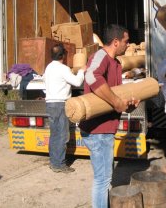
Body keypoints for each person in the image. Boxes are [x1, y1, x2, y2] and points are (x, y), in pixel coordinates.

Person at [79, 24, 140, 208]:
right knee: (102, 181)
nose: (128, 45)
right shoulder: (100, 56)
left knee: (105, 178)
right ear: (115, 42)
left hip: (105, 130)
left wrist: (126, 106)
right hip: (97, 131)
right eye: (126, 41)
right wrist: (115, 101)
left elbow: (116, 98)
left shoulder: (116, 64)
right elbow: (91, 76)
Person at [44, 43, 85, 173]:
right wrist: (82, 71)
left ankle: (54, 162)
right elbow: (78, 82)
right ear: (62, 55)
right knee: (62, 135)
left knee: (54, 134)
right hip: (60, 104)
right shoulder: (63, 68)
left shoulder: (48, 68)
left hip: (50, 103)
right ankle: (60, 164)